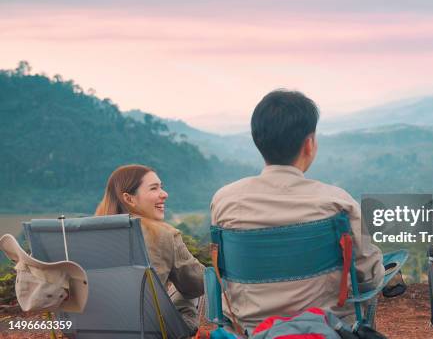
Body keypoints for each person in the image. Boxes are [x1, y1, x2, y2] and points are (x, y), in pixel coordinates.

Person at [210, 89, 384, 332]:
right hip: (327, 330)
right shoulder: (337, 202)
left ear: (258, 140)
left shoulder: (225, 201)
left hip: (251, 330)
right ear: (309, 144)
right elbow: (368, 278)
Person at [94, 164, 204, 332]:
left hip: (95, 330)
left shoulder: (90, 234)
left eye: (162, 187)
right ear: (129, 198)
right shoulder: (164, 235)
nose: (164, 194)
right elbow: (198, 285)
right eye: (154, 188)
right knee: (189, 286)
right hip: (151, 331)